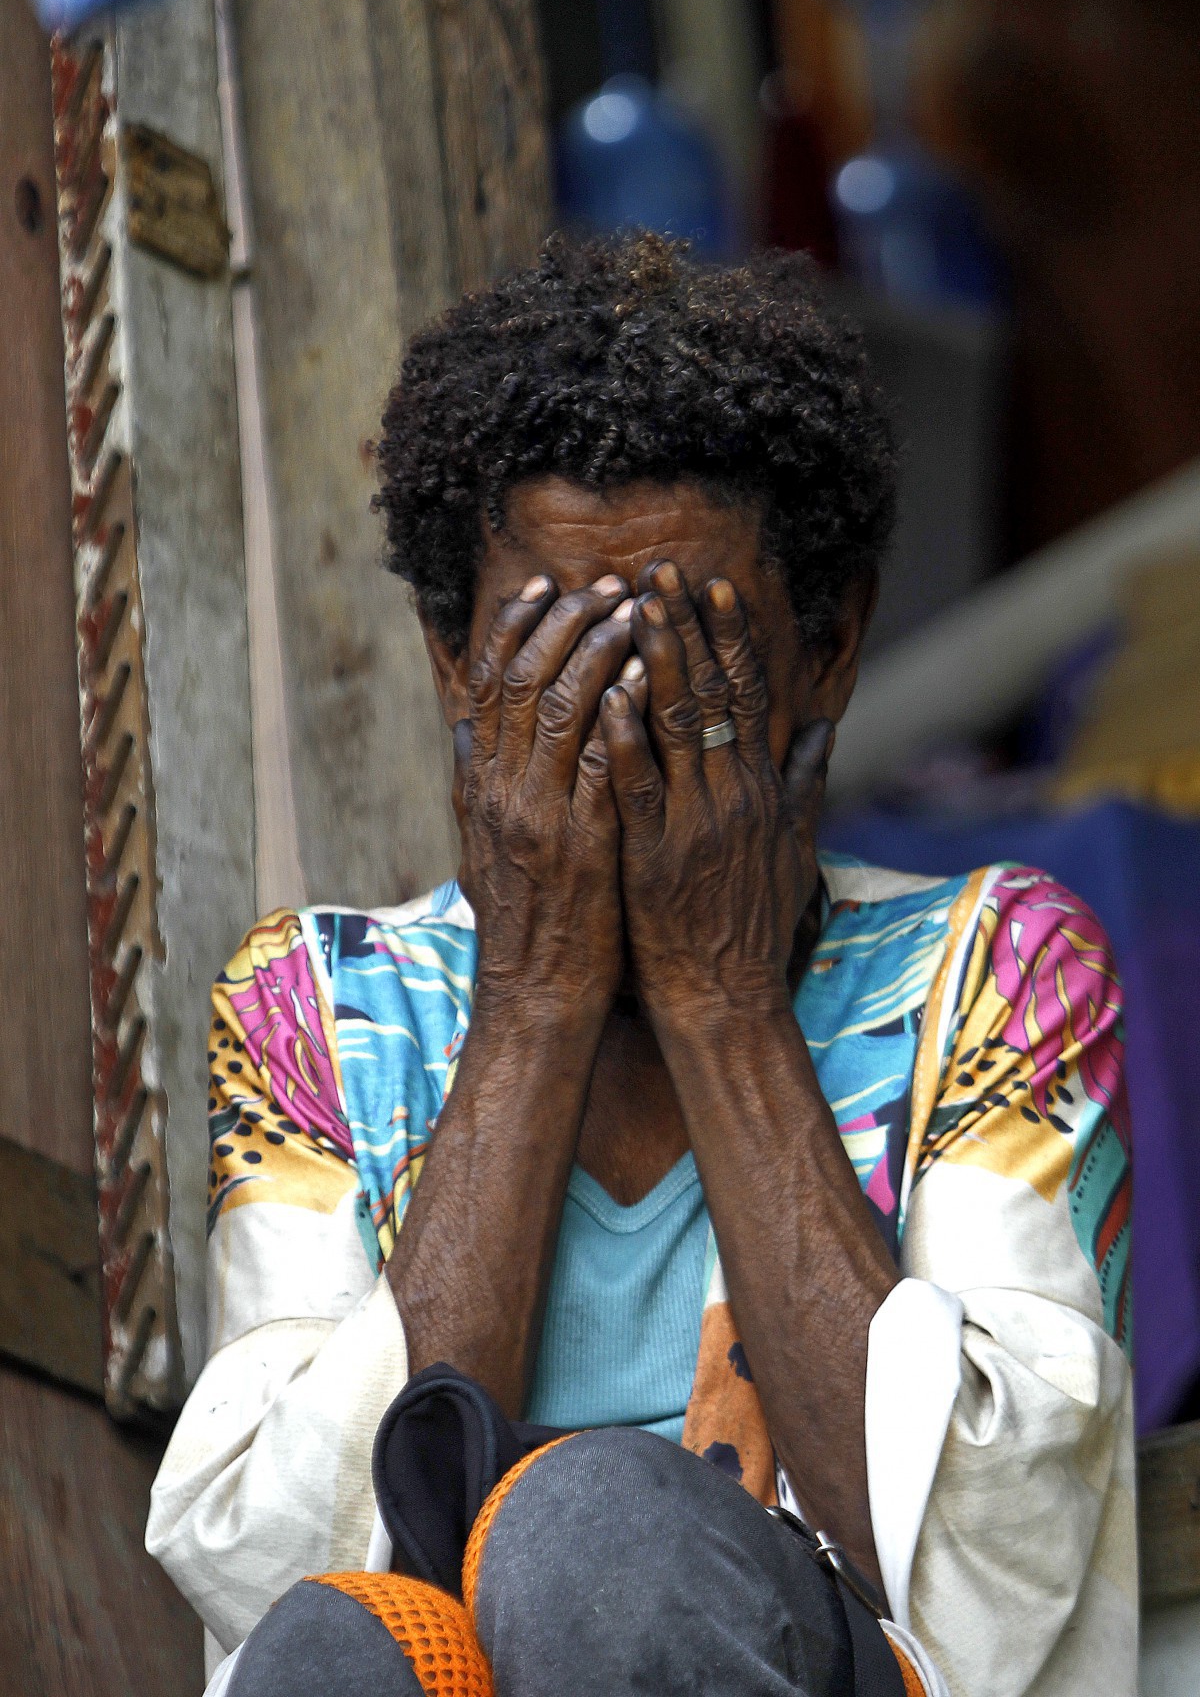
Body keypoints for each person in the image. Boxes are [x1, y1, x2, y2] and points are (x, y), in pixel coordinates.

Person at [147, 234, 1135, 1697]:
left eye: (680, 657)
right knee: (335, 1647)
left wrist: (723, 1000)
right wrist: (535, 1004)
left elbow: (996, 1570)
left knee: (599, 1535)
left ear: (831, 645)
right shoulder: (319, 1011)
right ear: (450, 659)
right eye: (555, 659)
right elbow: (270, 1561)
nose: (617, 730)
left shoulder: (992, 972)